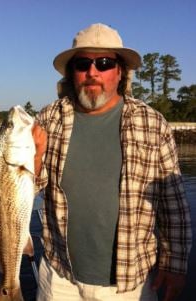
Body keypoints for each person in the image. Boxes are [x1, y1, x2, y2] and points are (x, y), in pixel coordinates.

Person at [32, 23, 192, 301]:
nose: (92, 72)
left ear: (120, 72)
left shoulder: (152, 123)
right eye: (83, 63)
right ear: (72, 72)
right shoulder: (47, 119)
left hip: (130, 285)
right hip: (59, 278)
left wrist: (175, 265)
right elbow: (21, 190)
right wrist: (32, 159)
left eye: (104, 63)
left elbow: (172, 202)